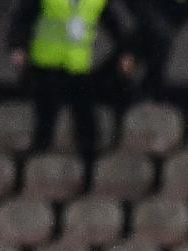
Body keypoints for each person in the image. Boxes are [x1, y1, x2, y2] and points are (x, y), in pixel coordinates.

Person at [8, 0, 139, 175]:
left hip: (77, 62)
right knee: (46, 108)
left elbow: (116, 25)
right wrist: (18, 46)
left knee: (84, 108)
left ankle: (88, 151)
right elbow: (22, 19)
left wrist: (126, 52)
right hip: (47, 59)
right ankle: (41, 147)